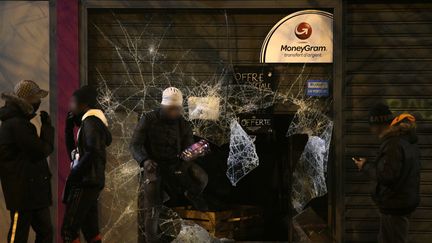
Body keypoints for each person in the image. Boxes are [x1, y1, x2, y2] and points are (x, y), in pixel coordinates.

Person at [130, 87, 208, 243]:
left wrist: (194, 152)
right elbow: (135, 145)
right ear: (163, 105)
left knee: (201, 176)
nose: (174, 112)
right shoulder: (148, 119)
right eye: (170, 109)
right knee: (152, 209)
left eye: (177, 109)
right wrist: (145, 161)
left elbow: (188, 148)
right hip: (154, 166)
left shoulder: (183, 124)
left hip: (175, 164)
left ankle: (191, 193)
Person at [353, 103, 420, 243]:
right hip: (398, 204)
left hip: (395, 206)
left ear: (378, 124)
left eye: (371, 126)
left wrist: (365, 166)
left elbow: (386, 176)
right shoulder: (402, 141)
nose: (371, 130)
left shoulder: (393, 144)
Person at [0, 80, 54, 243]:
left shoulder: (18, 123)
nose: (39, 102)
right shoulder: (16, 125)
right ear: (28, 100)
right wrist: (47, 130)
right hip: (23, 193)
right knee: (19, 235)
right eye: (37, 98)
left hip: (31, 192)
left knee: (44, 232)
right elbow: (41, 150)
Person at [61, 86, 112, 243]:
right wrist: (69, 130)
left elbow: (92, 151)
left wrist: (75, 173)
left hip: (85, 181)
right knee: (90, 231)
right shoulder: (90, 122)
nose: (71, 106)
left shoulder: (91, 122)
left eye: (73, 102)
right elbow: (74, 155)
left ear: (84, 105)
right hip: (90, 181)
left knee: (69, 230)